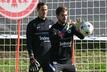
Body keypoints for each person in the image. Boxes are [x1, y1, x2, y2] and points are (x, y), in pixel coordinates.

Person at [49, 6, 85, 72]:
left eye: (66, 15)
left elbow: (82, 37)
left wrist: (80, 28)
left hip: (69, 61)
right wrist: (66, 28)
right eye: (62, 15)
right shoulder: (53, 29)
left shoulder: (71, 27)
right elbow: (58, 37)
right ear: (57, 16)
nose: (65, 17)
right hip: (56, 62)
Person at [26, 2, 54, 72]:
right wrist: (31, 57)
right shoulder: (32, 24)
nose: (44, 12)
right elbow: (29, 42)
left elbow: (57, 39)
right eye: (42, 10)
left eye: (46, 10)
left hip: (49, 58)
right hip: (36, 59)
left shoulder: (51, 23)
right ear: (37, 10)